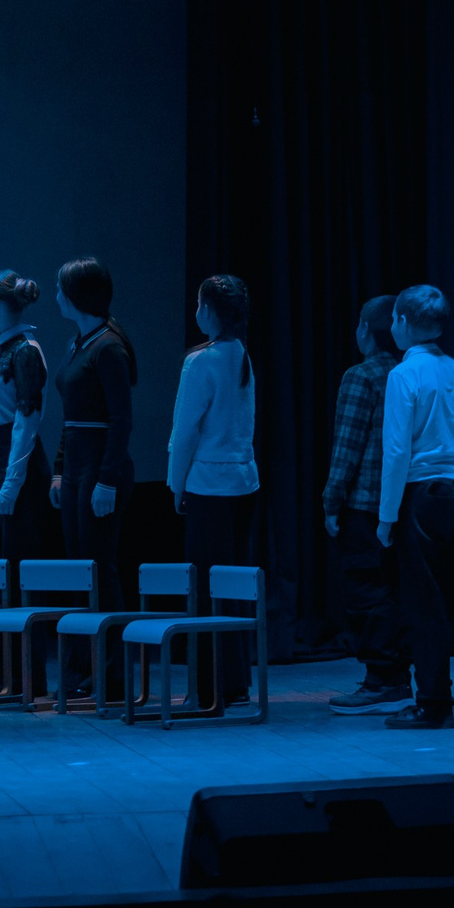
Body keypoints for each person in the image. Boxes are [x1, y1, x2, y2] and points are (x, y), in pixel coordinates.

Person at [377, 284, 454, 729]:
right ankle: (437, 696)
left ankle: (433, 702)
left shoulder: (404, 374)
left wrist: (386, 516)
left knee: (424, 603)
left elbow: (397, 450)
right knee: (443, 597)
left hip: (421, 492)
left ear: (402, 321)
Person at [167, 274, 260, 711]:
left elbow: (185, 431)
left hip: (207, 485)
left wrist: (175, 483)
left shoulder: (200, 361)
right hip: (244, 483)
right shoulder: (242, 353)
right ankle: (235, 682)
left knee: (205, 589)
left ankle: (207, 689)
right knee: (233, 585)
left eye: (199, 304)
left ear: (209, 310)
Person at [49, 258, 138, 698]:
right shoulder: (77, 343)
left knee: (100, 570)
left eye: (61, 289)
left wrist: (106, 480)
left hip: (102, 468)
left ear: (78, 295)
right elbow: (70, 418)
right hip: (76, 468)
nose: (56, 296)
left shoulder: (109, 348)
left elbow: (121, 420)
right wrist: (59, 470)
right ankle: (82, 672)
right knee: (78, 570)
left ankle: (113, 675)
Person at [0, 270, 56, 698]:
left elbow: (27, 421)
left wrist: (11, 483)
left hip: (20, 467)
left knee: (18, 572)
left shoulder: (26, 350)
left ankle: (26, 678)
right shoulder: (1, 347)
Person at [321, 295, 410, 714]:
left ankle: (382, 682)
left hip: (364, 504)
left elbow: (347, 447)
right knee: (393, 591)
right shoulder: (406, 373)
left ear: (366, 330)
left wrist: (331, 501)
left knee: (366, 592)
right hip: (402, 503)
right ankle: (396, 677)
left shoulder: (361, 376)